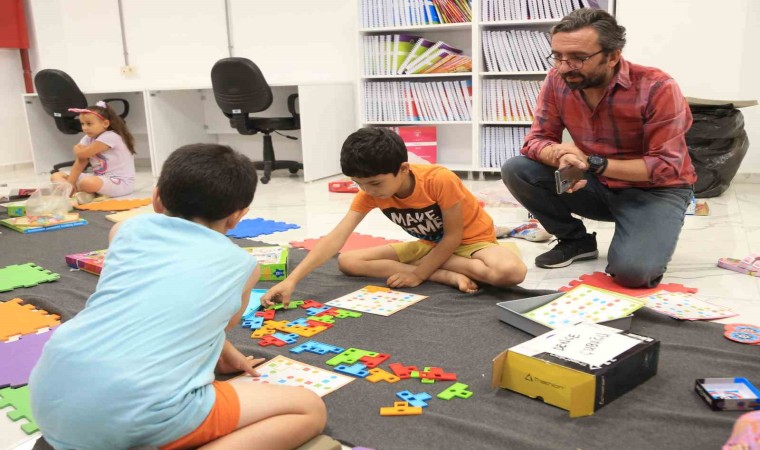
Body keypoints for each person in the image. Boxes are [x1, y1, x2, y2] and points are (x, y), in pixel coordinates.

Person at [29, 144, 326, 450]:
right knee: (308, 409)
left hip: (49, 394)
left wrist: (220, 354)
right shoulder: (244, 266)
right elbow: (218, 322)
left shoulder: (124, 230)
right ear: (238, 217)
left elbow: (160, 304)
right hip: (140, 413)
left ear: (156, 198)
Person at [501, 8, 696, 288]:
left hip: (654, 190)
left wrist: (592, 163)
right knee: (517, 169)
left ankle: (643, 229)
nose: (564, 67)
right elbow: (535, 141)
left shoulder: (657, 87)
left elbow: (666, 166)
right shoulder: (557, 79)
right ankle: (575, 241)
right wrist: (560, 154)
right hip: (595, 183)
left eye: (578, 58)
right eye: (557, 56)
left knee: (634, 273)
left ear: (613, 56)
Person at [262, 127, 526, 306]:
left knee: (510, 271)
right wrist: (291, 281)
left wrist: (418, 274)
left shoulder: (439, 179)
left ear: (403, 169)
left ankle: (436, 267)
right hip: (428, 247)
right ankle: (443, 274)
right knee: (348, 261)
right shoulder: (369, 193)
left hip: (472, 244)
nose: (367, 190)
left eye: (375, 183)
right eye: (358, 183)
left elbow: (453, 236)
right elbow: (335, 239)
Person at [49, 100, 137, 204]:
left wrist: (76, 148)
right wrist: (70, 183)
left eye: (89, 124)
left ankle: (84, 192)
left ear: (105, 123)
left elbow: (82, 154)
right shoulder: (88, 138)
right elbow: (81, 160)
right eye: (82, 124)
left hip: (119, 182)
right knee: (56, 176)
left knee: (86, 183)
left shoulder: (111, 136)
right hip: (99, 178)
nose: (85, 128)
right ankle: (80, 193)